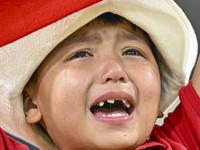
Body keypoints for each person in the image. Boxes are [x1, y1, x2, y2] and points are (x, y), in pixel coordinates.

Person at [0, 0, 199, 150]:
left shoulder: (183, 140)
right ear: (31, 103)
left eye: (132, 52)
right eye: (81, 54)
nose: (115, 71)